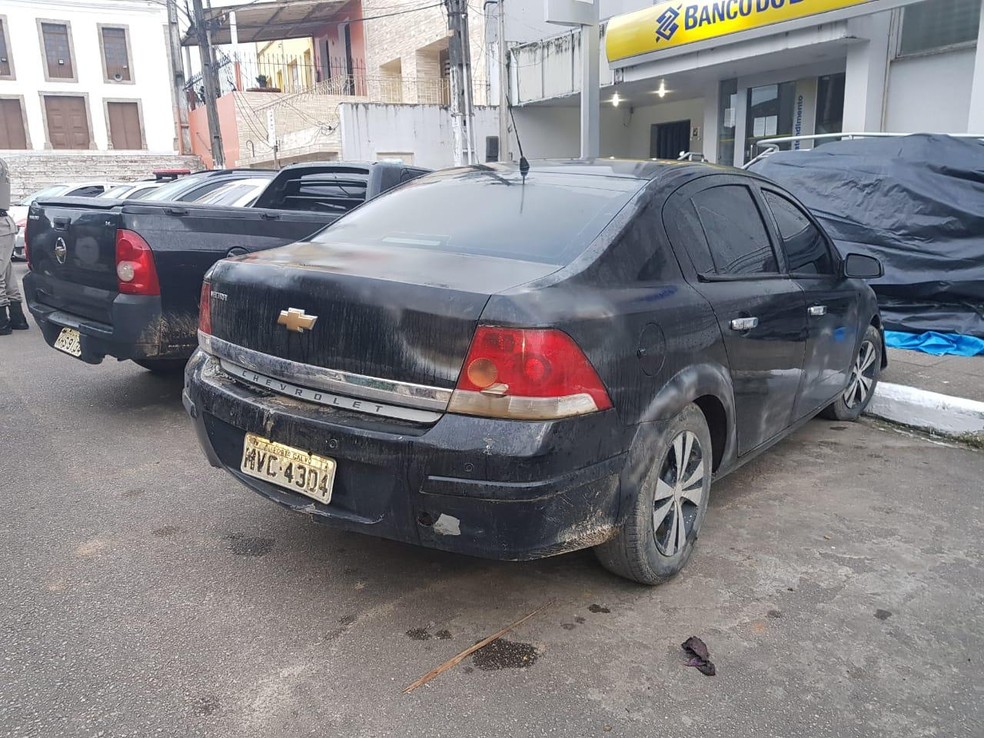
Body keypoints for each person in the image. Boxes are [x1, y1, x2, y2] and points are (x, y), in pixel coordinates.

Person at [0, 157, 29, 336]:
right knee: (7, 273)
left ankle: (2, 323)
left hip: (1, 225)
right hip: (3, 223)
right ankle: (18, 319)